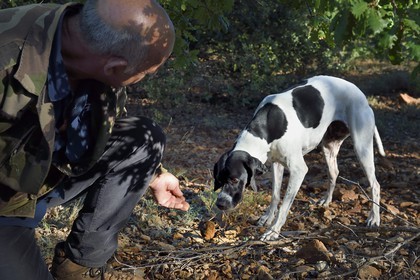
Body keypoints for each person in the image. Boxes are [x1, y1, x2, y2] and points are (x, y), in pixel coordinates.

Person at [0, 0, 190, 279]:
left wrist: (154, 175)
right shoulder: (8, 55)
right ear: (115, 67)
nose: (144, 79)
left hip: (38, 174)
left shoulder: (85, 35)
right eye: (146, 74)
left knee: (144, 139)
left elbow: (106, 121)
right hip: (5, 202)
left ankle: (75, 266)